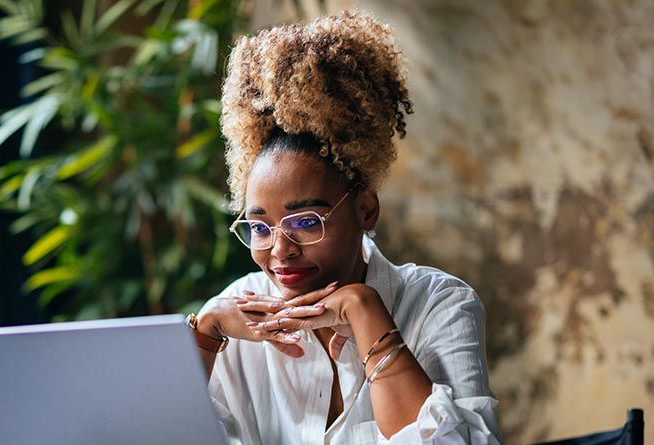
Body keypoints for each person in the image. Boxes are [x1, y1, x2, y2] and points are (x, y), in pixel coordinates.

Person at [188, 10, 502, 445]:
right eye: (260, 227)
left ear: (365, 210)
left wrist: (367, 313)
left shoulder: (439, 306)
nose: (280, 251)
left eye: (305, 222)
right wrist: (203, 336)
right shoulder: (233, 316)